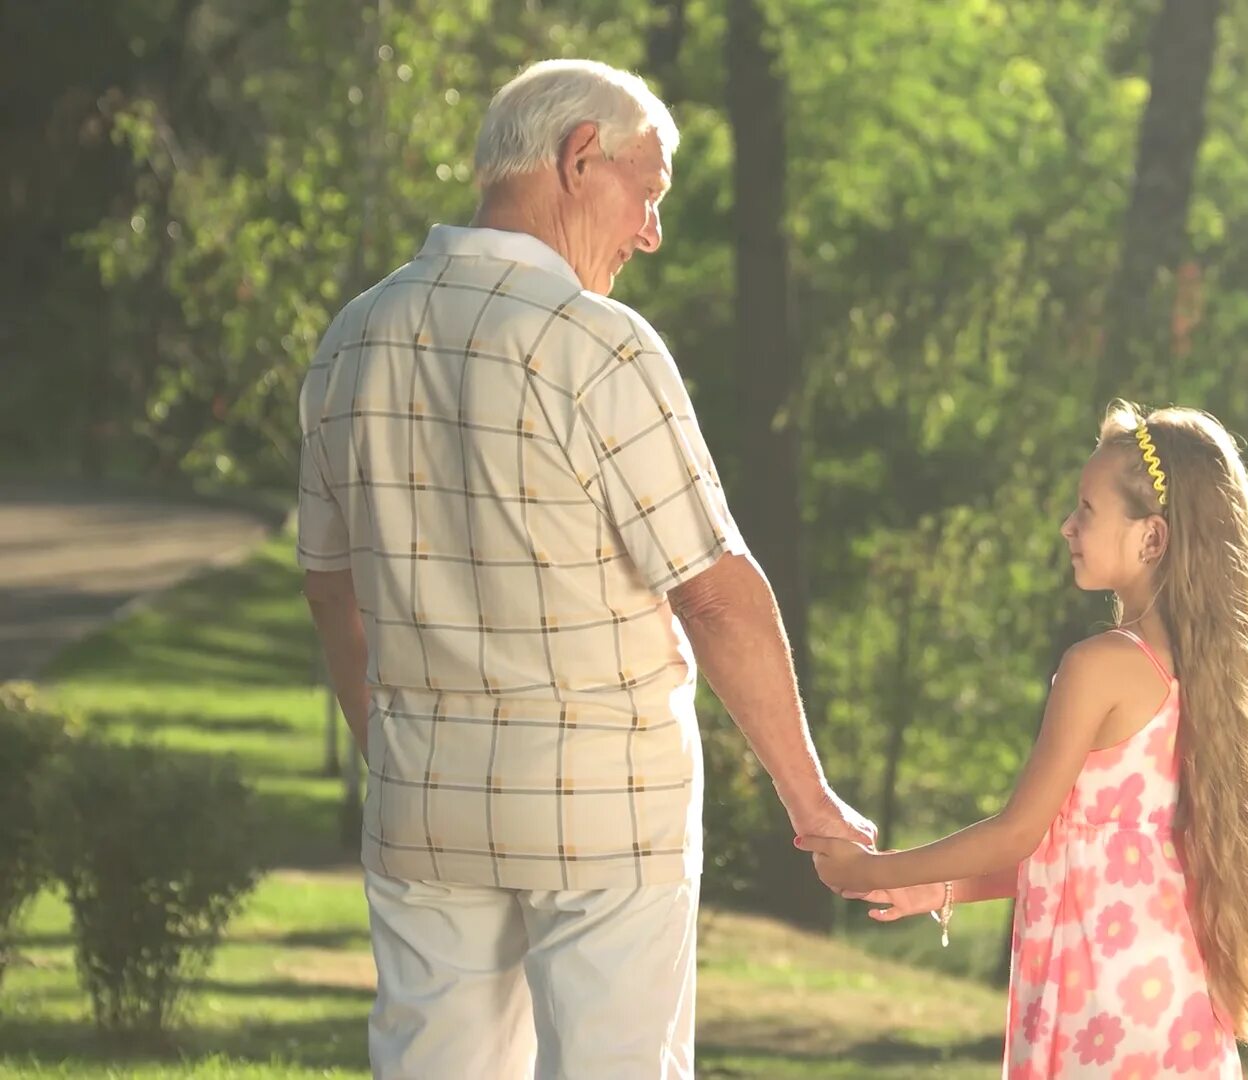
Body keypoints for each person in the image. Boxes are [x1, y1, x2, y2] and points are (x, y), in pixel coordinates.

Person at [297, 58, 872, 1078]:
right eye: (645, 195)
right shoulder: (596, 346)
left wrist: (388, 749)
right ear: (578, 158)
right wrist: (809, 799)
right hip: (604, 813)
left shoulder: (353, 338)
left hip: (424, 801)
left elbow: (332, 587)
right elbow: (712, 590)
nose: (650, 233)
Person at [802, 404, 1248, 1078]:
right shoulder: (1207, 678)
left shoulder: (1100, 665)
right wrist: (941, 888)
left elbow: (1019, 832)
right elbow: (1088, 855)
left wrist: (868, 870)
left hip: (1100, 999)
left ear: (1152, 539)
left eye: (1086, 510)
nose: (1067, 526)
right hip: (1170, 994)